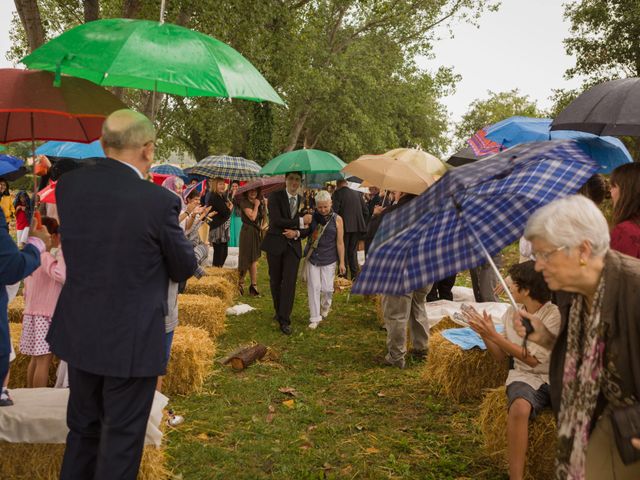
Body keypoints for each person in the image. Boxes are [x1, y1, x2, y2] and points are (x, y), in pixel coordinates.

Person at [46, 109, 197, 480]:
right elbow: (183, 266)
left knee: (82, 432)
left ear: (102, 143)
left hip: (81, 330)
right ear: (147, 150)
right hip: (130, 337)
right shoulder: (158, 202)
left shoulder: (70, 187)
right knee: (121, 441)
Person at [513, 195, 640, 479]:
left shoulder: (634, 290)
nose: (537, 266)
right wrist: (544, 337)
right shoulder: (574, 292)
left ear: (583, 250)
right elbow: (587, 354)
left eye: (546, 254)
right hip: (602, 421)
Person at [463, 261, 561, 480]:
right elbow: (500, 356)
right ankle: (515, 476)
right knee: (519, 408)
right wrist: (484, 333)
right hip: (524, 376)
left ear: (525, 290)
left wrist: (495, 335)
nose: (507, 285)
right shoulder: (510, 313)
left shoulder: (553, 315)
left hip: (556, 376)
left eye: (512, 282)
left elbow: (535, 359)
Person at [367, 191, 431, 368]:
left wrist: (375, 217)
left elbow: (373, 240)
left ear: (401, 191)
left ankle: (396, 356)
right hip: (425, 269)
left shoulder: (391, 213)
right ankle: (421, 347)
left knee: (396, 315)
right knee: (418, 306)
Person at [261, 171, 312, 335]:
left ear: (300, 182)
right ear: (286, 180)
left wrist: (296, 233)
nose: (294, 182)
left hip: (293, 247)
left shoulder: (304, 200)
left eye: (297, 179)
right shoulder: (275, 197)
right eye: (291, 179)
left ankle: (285, 319)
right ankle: (278, 310)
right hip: (275, 244)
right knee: (276, 281)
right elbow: (276, 221)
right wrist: (299, 222)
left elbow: (308, 229)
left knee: (289, 282)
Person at [19, 217, 65, 388]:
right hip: (45, 315)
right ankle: (38, 397)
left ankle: (30, 394)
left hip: (32, 312)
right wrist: (60, 253)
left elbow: (25, 288)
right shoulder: (45, 256)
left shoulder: (31, 256)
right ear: (51, 236)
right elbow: (62, 275)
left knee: (35, 360)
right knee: (44, 362)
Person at [303, 190, 346, 329]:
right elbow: (305, 233)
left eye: (325, 206)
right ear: (316, 206)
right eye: (320, 207)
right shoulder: (312, 218)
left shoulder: (337, 219)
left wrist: (342, 262)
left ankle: (325, 305)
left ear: (331, 204)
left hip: (329, 258)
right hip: (313, 257)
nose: (322, 210)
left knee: (327, 289)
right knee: (314, 287)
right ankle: (315, 317)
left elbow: (340, 242)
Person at [332, 179, 367, 279]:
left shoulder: (337, 194)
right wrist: (360, 223)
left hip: (344, 227)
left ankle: (343, 276)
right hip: (357, 227)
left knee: (342, 251)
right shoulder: (357, 194)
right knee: (352, 251)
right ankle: (354, 276)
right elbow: (366, 211)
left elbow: (335, 212)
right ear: (347, 184)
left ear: (338, 185)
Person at [237, 187, 266, 296]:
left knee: (253, 258)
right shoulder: (244, 202)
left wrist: (264, 206)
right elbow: (252, 217)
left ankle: (250, 284)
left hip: (255, 232)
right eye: (251, 190)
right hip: (247, 232)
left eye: (255, 190)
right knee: (246, 258)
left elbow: (263, 219)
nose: (253, 192)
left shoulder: (258, 202)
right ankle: (243, 283)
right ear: (247, 191)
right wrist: (257, 205)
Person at [609, 163, 640, 259]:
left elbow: (614, 271)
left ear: (627, 191)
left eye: (614, 186)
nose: (610, 192)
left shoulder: (625, 232)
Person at [206, 177, 232, 267]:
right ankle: (216, 271)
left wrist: (227, 206)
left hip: (223, 227)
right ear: (215, 185)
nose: (222, 186)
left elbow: (225, 211)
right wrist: (230, 208)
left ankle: (218, 271)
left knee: (224, 253)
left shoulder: (222, 196)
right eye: (220, 184)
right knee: (219, 253)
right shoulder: (215, 196)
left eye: (223, 184)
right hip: (218, 228)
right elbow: (225, 213)